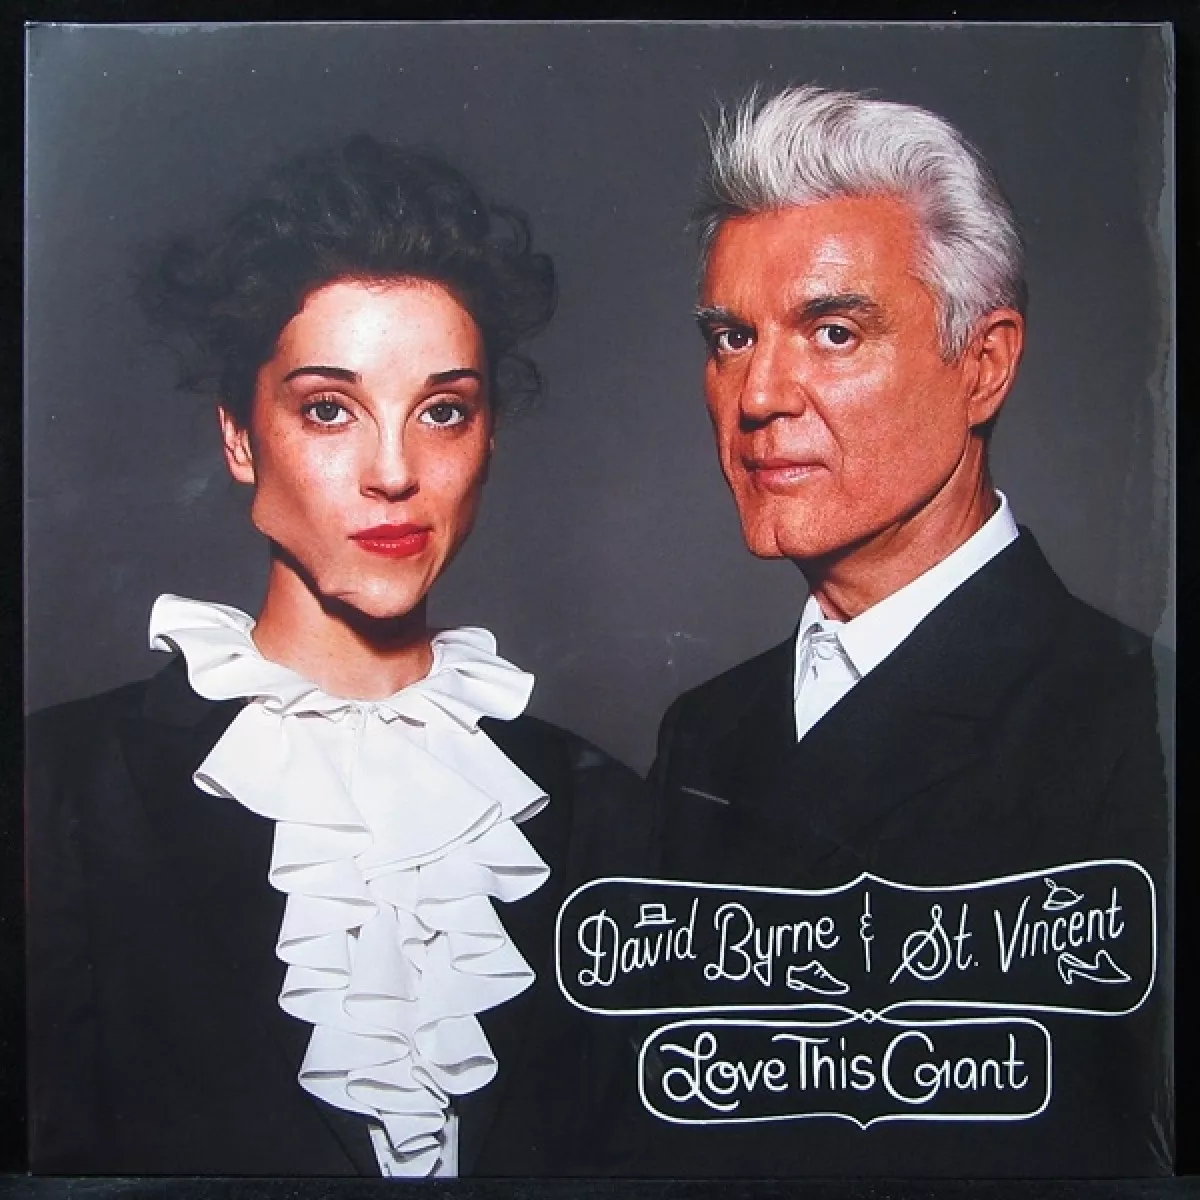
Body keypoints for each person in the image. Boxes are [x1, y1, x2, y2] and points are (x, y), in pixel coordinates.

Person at [26, 135, 653, 1177]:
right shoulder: (59, 789)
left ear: (488, 439)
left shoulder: (602, 811)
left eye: (443, 411)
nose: (394, 472)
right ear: (239, 437)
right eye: (329, 409)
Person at [645, 87, 1169, 1175]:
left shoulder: (1138, 722)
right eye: (732, 338)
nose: (759, 396)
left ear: (983, 364)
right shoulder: (705, 731)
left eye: (834, 332)